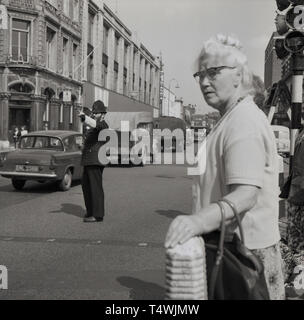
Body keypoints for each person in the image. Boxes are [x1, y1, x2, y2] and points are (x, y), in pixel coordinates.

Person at [164, 34, 285, 300]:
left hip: (243, 255)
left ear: (238, 75)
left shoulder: (243, 121)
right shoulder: (232, 118)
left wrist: (196, 221)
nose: (204, 81)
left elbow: (246, 194)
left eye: (214, 72)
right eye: (201, 74)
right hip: (231, 248)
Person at [79, 100, 109, 223]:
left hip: (95, 160)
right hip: (89, 160)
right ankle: (91, 211)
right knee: (86, 186)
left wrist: (85, 118)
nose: (94, 115)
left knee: (95, 187)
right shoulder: (95, 124)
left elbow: (97, 125)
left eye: (96, 113)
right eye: (94, 113)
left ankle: (98, 215)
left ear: (102, 114)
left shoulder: (103, 125)